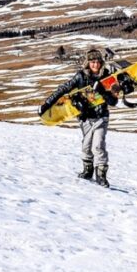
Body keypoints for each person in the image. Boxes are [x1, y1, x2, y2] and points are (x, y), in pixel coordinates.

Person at [39, 49, 121, 188]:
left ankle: (101, 177)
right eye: (92, 62)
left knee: (98, 145)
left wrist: (103, 92)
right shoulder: (80, 76)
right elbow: (63, 89)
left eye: (97, 62)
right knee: (86, 146)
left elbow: (113, 102)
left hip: (101, 117)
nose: (95, 65)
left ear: (101, 62)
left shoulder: (108, 77)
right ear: (88, 63)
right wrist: (47, 103)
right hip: (85, 118)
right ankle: (87, 171)